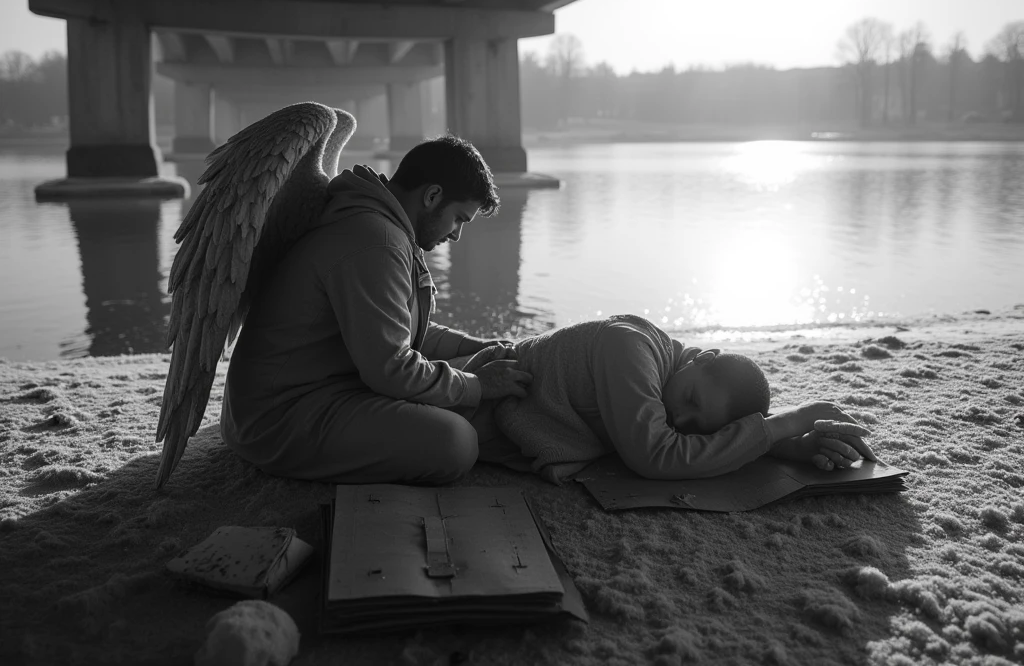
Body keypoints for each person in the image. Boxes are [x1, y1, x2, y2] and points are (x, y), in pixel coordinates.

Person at [219, 135, 532, 484]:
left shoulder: (383, 226)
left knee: (464, 386)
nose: (456, 235)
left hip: (322, 389)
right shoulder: (376, 240)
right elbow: (392, 369)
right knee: (456, 442)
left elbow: (400, 328)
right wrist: (477, 386)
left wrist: (474, 347)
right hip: (278, 419)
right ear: (432, 196)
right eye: (459, 219)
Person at [465, 314, 875, 482]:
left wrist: (789, 448)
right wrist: (789, 421)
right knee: (446, 448)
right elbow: (656, 455)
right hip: (471, 402)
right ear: (702, 358)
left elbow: (696, 439)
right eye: (691, 398)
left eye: (695, 422)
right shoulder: (631, 350)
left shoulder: (677, 377)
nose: (679, 415)